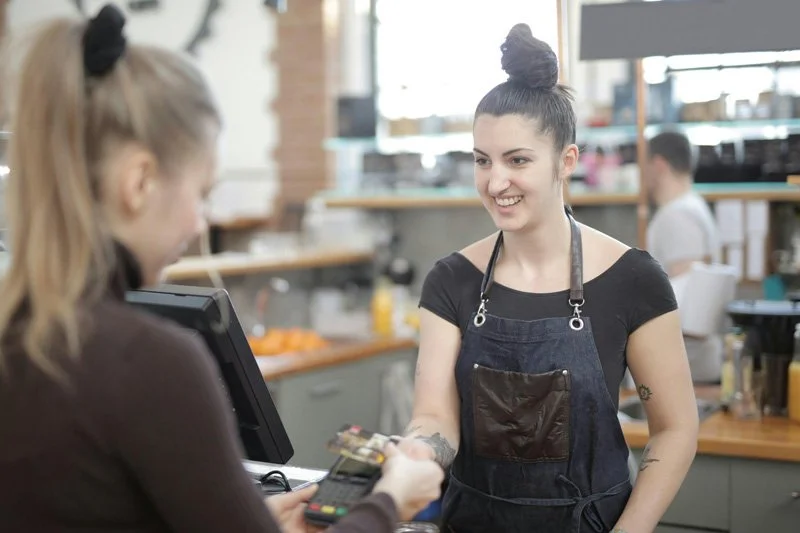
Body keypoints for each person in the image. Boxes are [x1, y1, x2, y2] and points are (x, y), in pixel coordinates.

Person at [0, 5, 442, 533]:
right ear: (140, 182)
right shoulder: (152, 363)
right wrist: (390, 501)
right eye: (201, 194)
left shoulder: (20, 333)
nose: (199, 223)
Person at [397, 24, 699, 533]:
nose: (496, 183)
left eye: (517, 160)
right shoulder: (451, 281)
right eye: (482, 161)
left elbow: (675, 428)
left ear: (566, 162)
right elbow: (435, 417)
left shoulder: (632, 279)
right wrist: (415, 453)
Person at [644, 131, 724, 383]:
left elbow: (686, 296)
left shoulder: (677, 216)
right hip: (692, 361)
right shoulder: (691, 206)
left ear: (657, 165)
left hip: (687, 365)